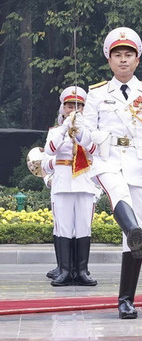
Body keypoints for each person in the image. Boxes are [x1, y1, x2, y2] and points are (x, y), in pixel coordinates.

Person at [85, 27, 142, 319]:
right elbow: (84, 130)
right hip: (108, 160)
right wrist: (89, 137)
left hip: (140, 162)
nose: (123, 60)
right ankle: (132, 230)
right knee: (118, 194)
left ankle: (126, 300)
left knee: (135, 234)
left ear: (137, 59)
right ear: (109, 59)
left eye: (128, 55)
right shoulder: (95, 94)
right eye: (117, 55)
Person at [42, 86, 100, 287]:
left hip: (84, 182)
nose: (73, 109)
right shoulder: (56, 131)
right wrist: (66, 128)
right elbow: (50, 151)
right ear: (63, 108)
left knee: (84, 227)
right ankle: (65, 270)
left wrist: (82, 131)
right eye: (69, 105)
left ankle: (81, 271)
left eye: (78, 106)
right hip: (63, 182)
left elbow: (94, 150)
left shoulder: (90, 131)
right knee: (64, 228)